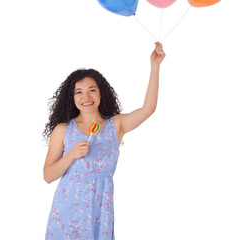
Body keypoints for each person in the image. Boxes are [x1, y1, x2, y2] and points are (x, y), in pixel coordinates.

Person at [42, 42, 165, 239]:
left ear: (101, 93)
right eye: (79, 92)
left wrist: (155, 66)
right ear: (71, 97)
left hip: (101, 213)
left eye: (92, 90)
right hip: (66, 215)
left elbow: (147, 109)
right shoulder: (63, 130)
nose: (86, 97)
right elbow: (47, 175)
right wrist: (71, 155)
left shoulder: (116, 126)